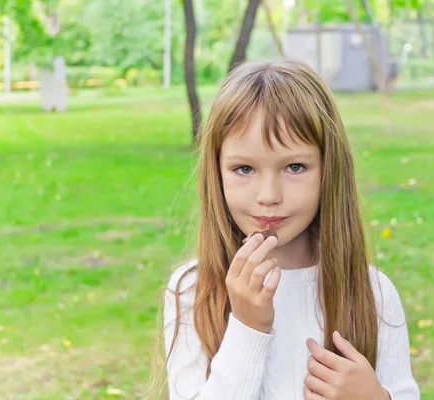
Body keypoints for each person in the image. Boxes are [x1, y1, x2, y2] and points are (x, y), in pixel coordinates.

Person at [159, 60, 419, 400]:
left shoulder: (374, 293)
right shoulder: (192, 290)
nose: (269, 196)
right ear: (216, 172)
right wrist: (248, 328)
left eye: (295, 166)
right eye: (244, 169)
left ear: (329, 169)